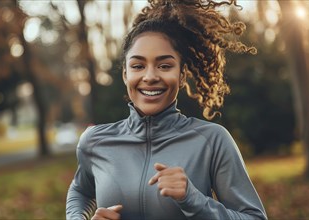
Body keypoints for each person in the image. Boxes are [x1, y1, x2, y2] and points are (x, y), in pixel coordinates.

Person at [66, 0, 267, 219]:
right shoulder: (94, 142)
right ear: (125, 75)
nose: (150, 77)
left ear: (181, 76)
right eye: (138, 66)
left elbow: (254, 217)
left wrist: (194, 200)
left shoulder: (212, 141)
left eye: (164, 66)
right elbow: (80, 191)